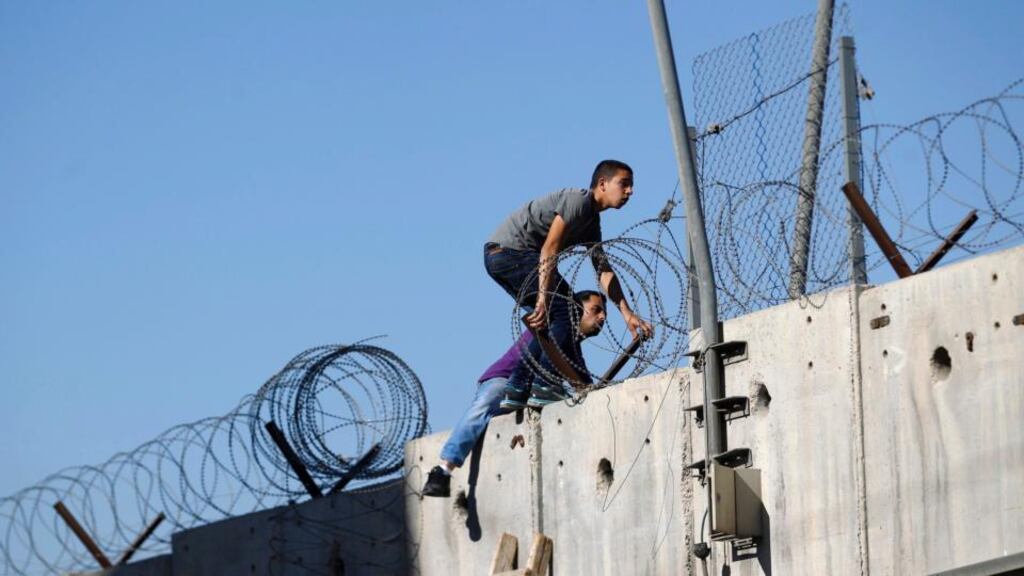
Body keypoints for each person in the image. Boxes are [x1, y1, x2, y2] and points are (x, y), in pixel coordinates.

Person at [483, 160, 653, 411]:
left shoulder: (591, 224)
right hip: (510, 252)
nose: (630, 191)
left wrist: (627, 314)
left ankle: (518, 387)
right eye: (624, 184)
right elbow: (549, 248)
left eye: (631, 186)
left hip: (503, 257)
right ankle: (544, 385)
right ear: (603, 184)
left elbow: (603, 270)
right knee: (567, 310)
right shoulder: (578, 202)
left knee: (557, 316)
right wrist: (544, 300)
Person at [421, 291, 608, 498]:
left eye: (604, 313)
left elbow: (583, 383)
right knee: (487, 402)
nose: (602, 317)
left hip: (528, 394)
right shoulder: (552, 328)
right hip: (503, 380)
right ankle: (444, 469)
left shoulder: (571, 347)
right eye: (596, 310)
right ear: (576, 311)